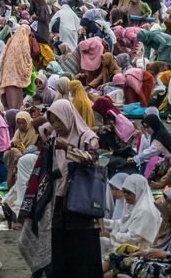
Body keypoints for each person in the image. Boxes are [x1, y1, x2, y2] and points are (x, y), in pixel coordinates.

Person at [44, 99, 102, 277]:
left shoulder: (87, 136)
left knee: (82, 242)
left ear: (67, 117)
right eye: (53, 121)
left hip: (81, 196)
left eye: (58, 121)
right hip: (60, 196)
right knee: (60, 242)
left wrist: (67, 148)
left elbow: (92, 159)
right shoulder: (55, 136)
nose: (56, 126)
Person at [99, 174, 161, 255]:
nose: (125, 195)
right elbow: (121, 223)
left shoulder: (145, 211)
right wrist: (103, 222)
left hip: (139, 249)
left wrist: (110, 235)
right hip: (129, 245)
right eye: (124, 191)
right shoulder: (133, 204)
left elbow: (133, 238)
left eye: (129, 193)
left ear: (138, 191)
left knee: (102, 243)